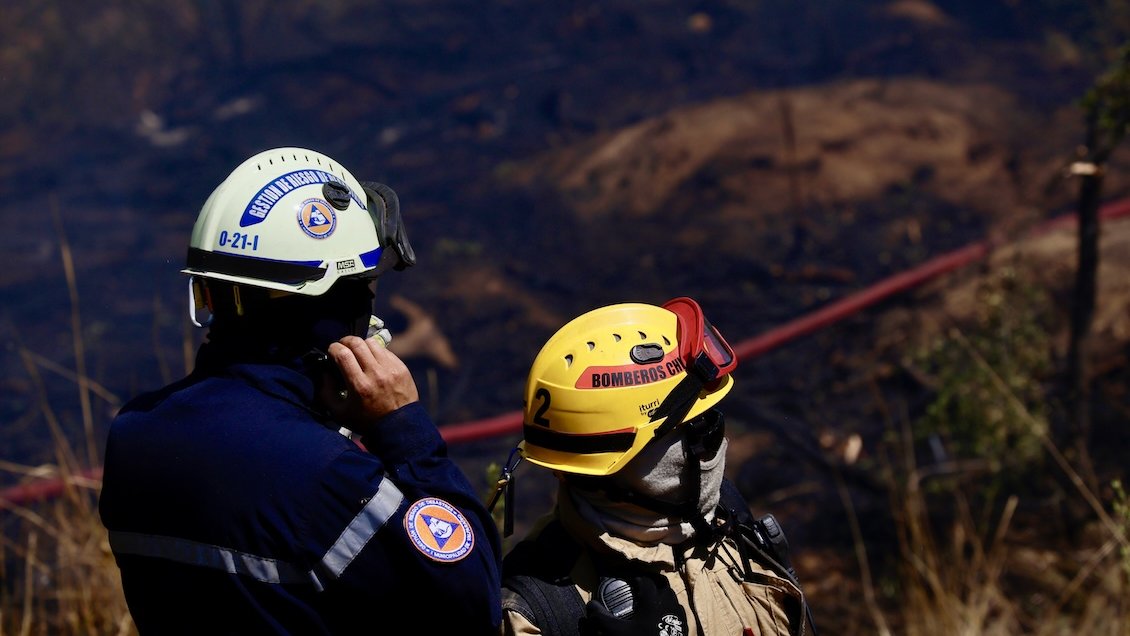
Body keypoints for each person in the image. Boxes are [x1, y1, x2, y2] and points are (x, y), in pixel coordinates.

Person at [98, 147, 502, 634]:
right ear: (336, 304)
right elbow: (474, 602)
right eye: (365, 290)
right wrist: (405, 432)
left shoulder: (132, 434)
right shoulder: (330, 476)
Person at [497, 297, 816, 636]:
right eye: (701, 429)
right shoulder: (535, 613)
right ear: (619, 463)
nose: (719, 443)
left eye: (713, 421)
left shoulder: (724, 515)